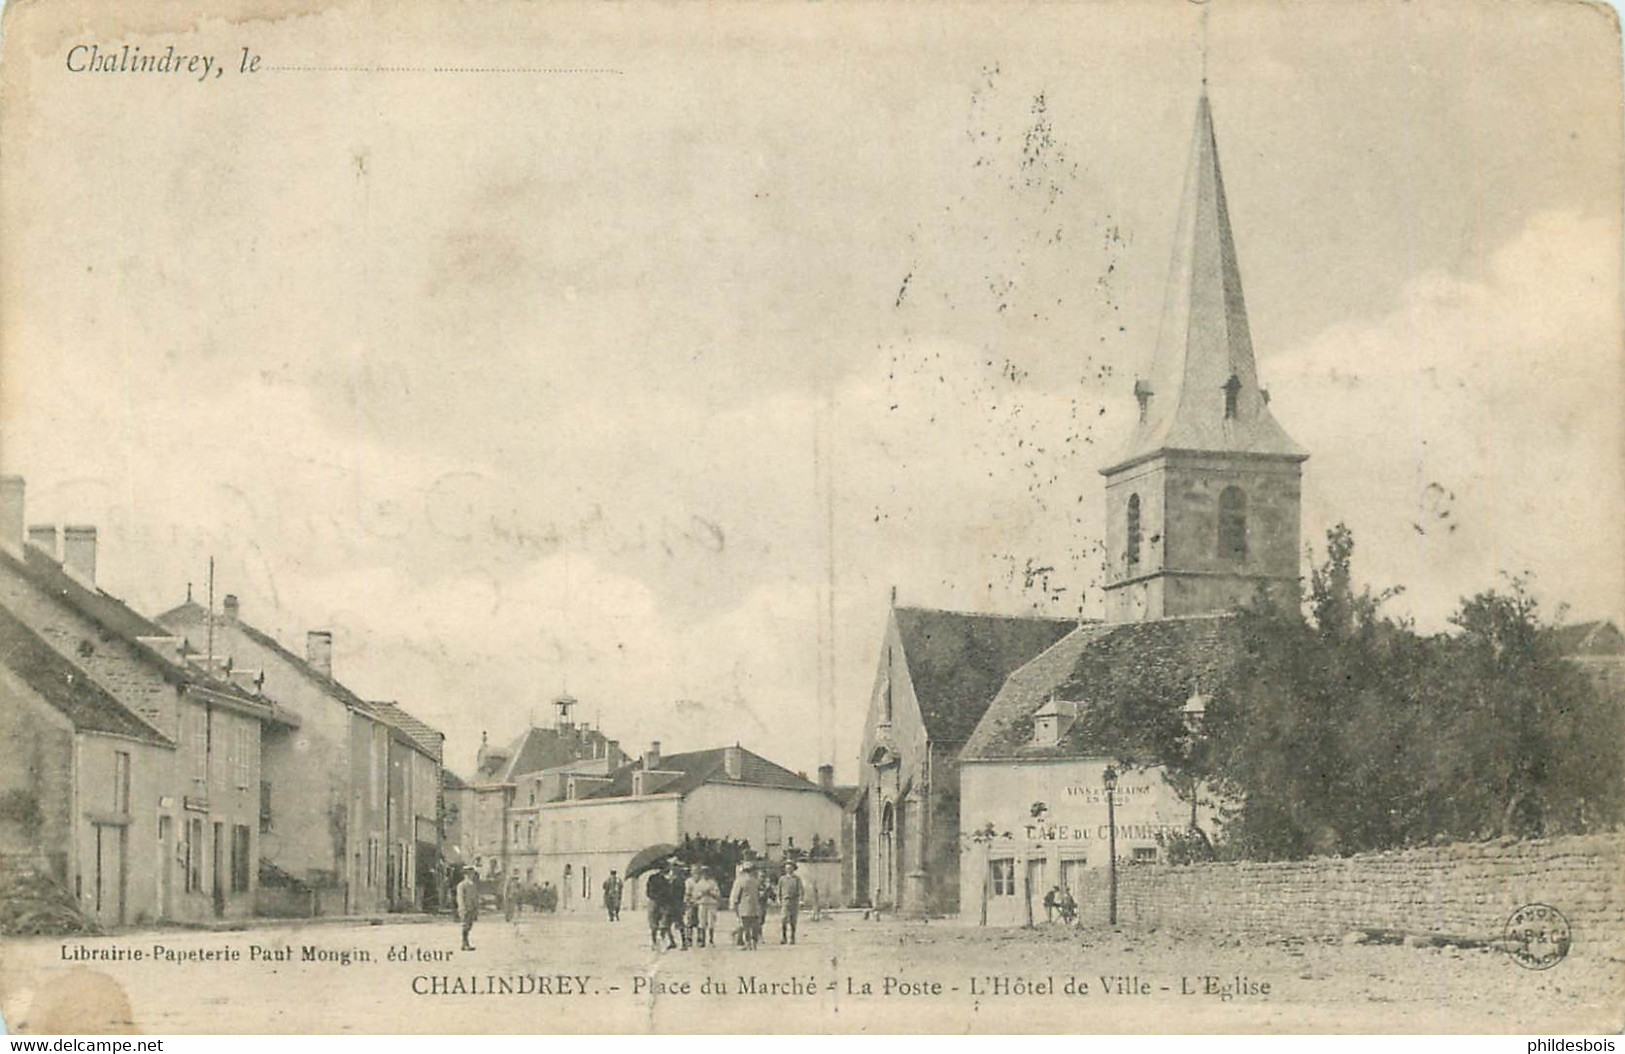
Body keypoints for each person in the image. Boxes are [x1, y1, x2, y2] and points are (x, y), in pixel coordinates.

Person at [730, 862, 764, 949]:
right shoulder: (755, 881)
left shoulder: (741, 881)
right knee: (752, 925)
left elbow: (735, 895)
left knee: (747, 926)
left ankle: (749, 943)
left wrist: (734, 904)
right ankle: (752, 943)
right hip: (751, 906)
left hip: (746, 906)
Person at [689, 865, 721, 948]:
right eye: (704, 873)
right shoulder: (699, 883)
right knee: (702, 922)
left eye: (707, 872)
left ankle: (711, 940)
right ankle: (702, 941)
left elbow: (718, 894)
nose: (705, 874)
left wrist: (710, 893)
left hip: (711, 903)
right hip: (702, 903)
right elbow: (695, 895)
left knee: (711, 922)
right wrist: (702, 894)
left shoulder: (713, 882)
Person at [646, 865, 675, 950]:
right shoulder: (664, 881)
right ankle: (659, 941)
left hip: (656, 901)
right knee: (661, 923)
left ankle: (655, 942)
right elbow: (668, 893)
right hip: (660, 902)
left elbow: (648, 892)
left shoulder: (653, 878)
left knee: (655, 924)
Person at [777, 861, 804, 944]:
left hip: (794, 901)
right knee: (783, 919)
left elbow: (801, 890)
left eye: (790, 868)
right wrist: (778, 900)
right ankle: (784, 937)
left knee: (793, 920)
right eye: (787, 868)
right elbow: (779, 890)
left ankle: (792, 937)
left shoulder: (797, 879)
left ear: (793, 869)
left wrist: (801, 900)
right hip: (785, 901)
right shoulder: (782, 879)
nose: (788, 869)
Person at [455, 867, 480, 951]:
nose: (471, 876)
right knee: (465, 926)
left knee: (469, 926)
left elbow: (475, 898)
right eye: (469, 874)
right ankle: (464, 943)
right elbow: (460, 898)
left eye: (472, 874)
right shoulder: (462, 885)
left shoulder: (473, 885)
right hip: (465, 909)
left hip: (471, 908)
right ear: (465, 875)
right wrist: (462, 908)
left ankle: (466, 943)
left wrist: (476, 908)